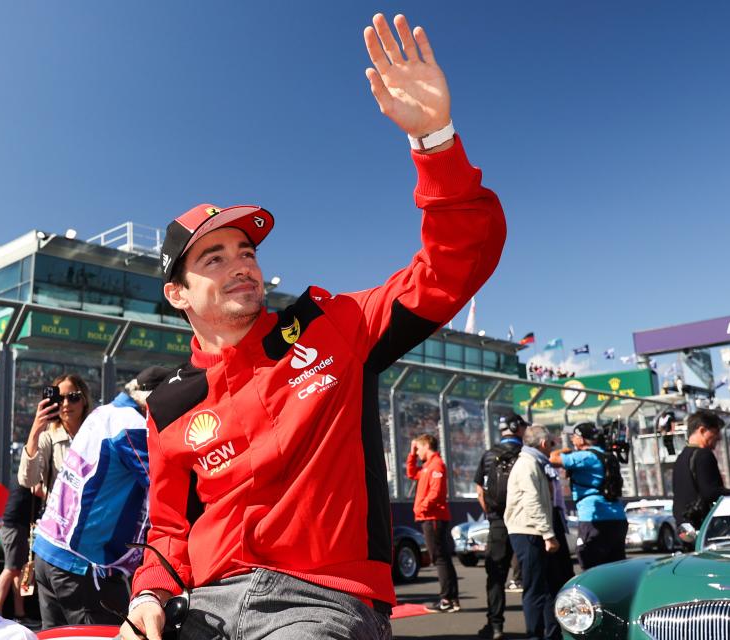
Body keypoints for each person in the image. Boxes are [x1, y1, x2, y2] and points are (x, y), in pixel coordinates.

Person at [122, 13, 506, 640]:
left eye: (246, 251)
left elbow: (455, 265)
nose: (242, 266)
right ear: (177, 295)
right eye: (214, 259)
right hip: (208, 603)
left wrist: (435, 139)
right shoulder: (168, 408)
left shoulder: (334, 325)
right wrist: (148, 597)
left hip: (321, 602)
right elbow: (168, 534)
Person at [31, 366, 170, 629]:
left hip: (49, 550)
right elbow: (162, 484)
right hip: (81, 564)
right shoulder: (133, 426)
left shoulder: (103, 413)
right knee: (113, 633)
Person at [504, 425, 561, 640]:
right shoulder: (528, 465)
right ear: (544, 444)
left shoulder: (533, 463)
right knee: (535, 588)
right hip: (528, 531)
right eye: (551, 444)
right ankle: (534, 635)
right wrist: (548, 533)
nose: (552, 448)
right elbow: (532, 502)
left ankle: (551, 633)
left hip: (531, 530)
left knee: (544, 586)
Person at [473, 414, 526, 640]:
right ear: (517, 428)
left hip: (498, 522)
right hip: (525, 521)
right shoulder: (528, 453)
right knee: (532, 576)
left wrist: (492, 514)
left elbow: (479, 492)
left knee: (495, 574)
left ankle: (495, 626)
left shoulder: (489, 455)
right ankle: (539, 625)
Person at [550, 422, 627, 570]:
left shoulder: (585, 456)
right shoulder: (607, 455)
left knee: (590, 564)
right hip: (618, 518)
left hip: (594, 518)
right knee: (615, 567)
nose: (572, 440)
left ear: (581, 439)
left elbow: (552, 459)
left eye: (574, 436)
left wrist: (563, 450)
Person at [671, 409, 730, 534]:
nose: (718, 438)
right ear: (702, 430)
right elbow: (711, 492)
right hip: (704, 526)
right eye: (715, 432)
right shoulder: (704, 455)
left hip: (686, 526)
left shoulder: (681, 457)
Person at [406, 433, 459, 613]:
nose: (418, 452)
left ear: (427, 446)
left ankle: (447, 599)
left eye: (419, 448)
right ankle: (451, 598)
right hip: (430, 516)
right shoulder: (428, 466)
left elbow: (436, 493)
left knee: (439, 558)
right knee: (442, 557)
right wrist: (412, 453)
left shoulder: (436, 465)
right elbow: (411, 473)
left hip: (433, 517)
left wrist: (421, 507)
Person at [18, 374, 92, 496]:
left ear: (84, 400)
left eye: (73, 397)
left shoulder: (96, 437)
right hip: (60, 514)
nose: (66, 404)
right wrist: (35, 430)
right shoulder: (48, 438)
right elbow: (28, 480)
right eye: (60, 399)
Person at [0, 482, 42, 621]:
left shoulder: (29, 474)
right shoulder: (34, 474)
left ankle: (19, 613)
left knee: (18, 570)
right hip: (13, 525)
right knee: (10, 569)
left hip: (17, 525)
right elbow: (38, 490)